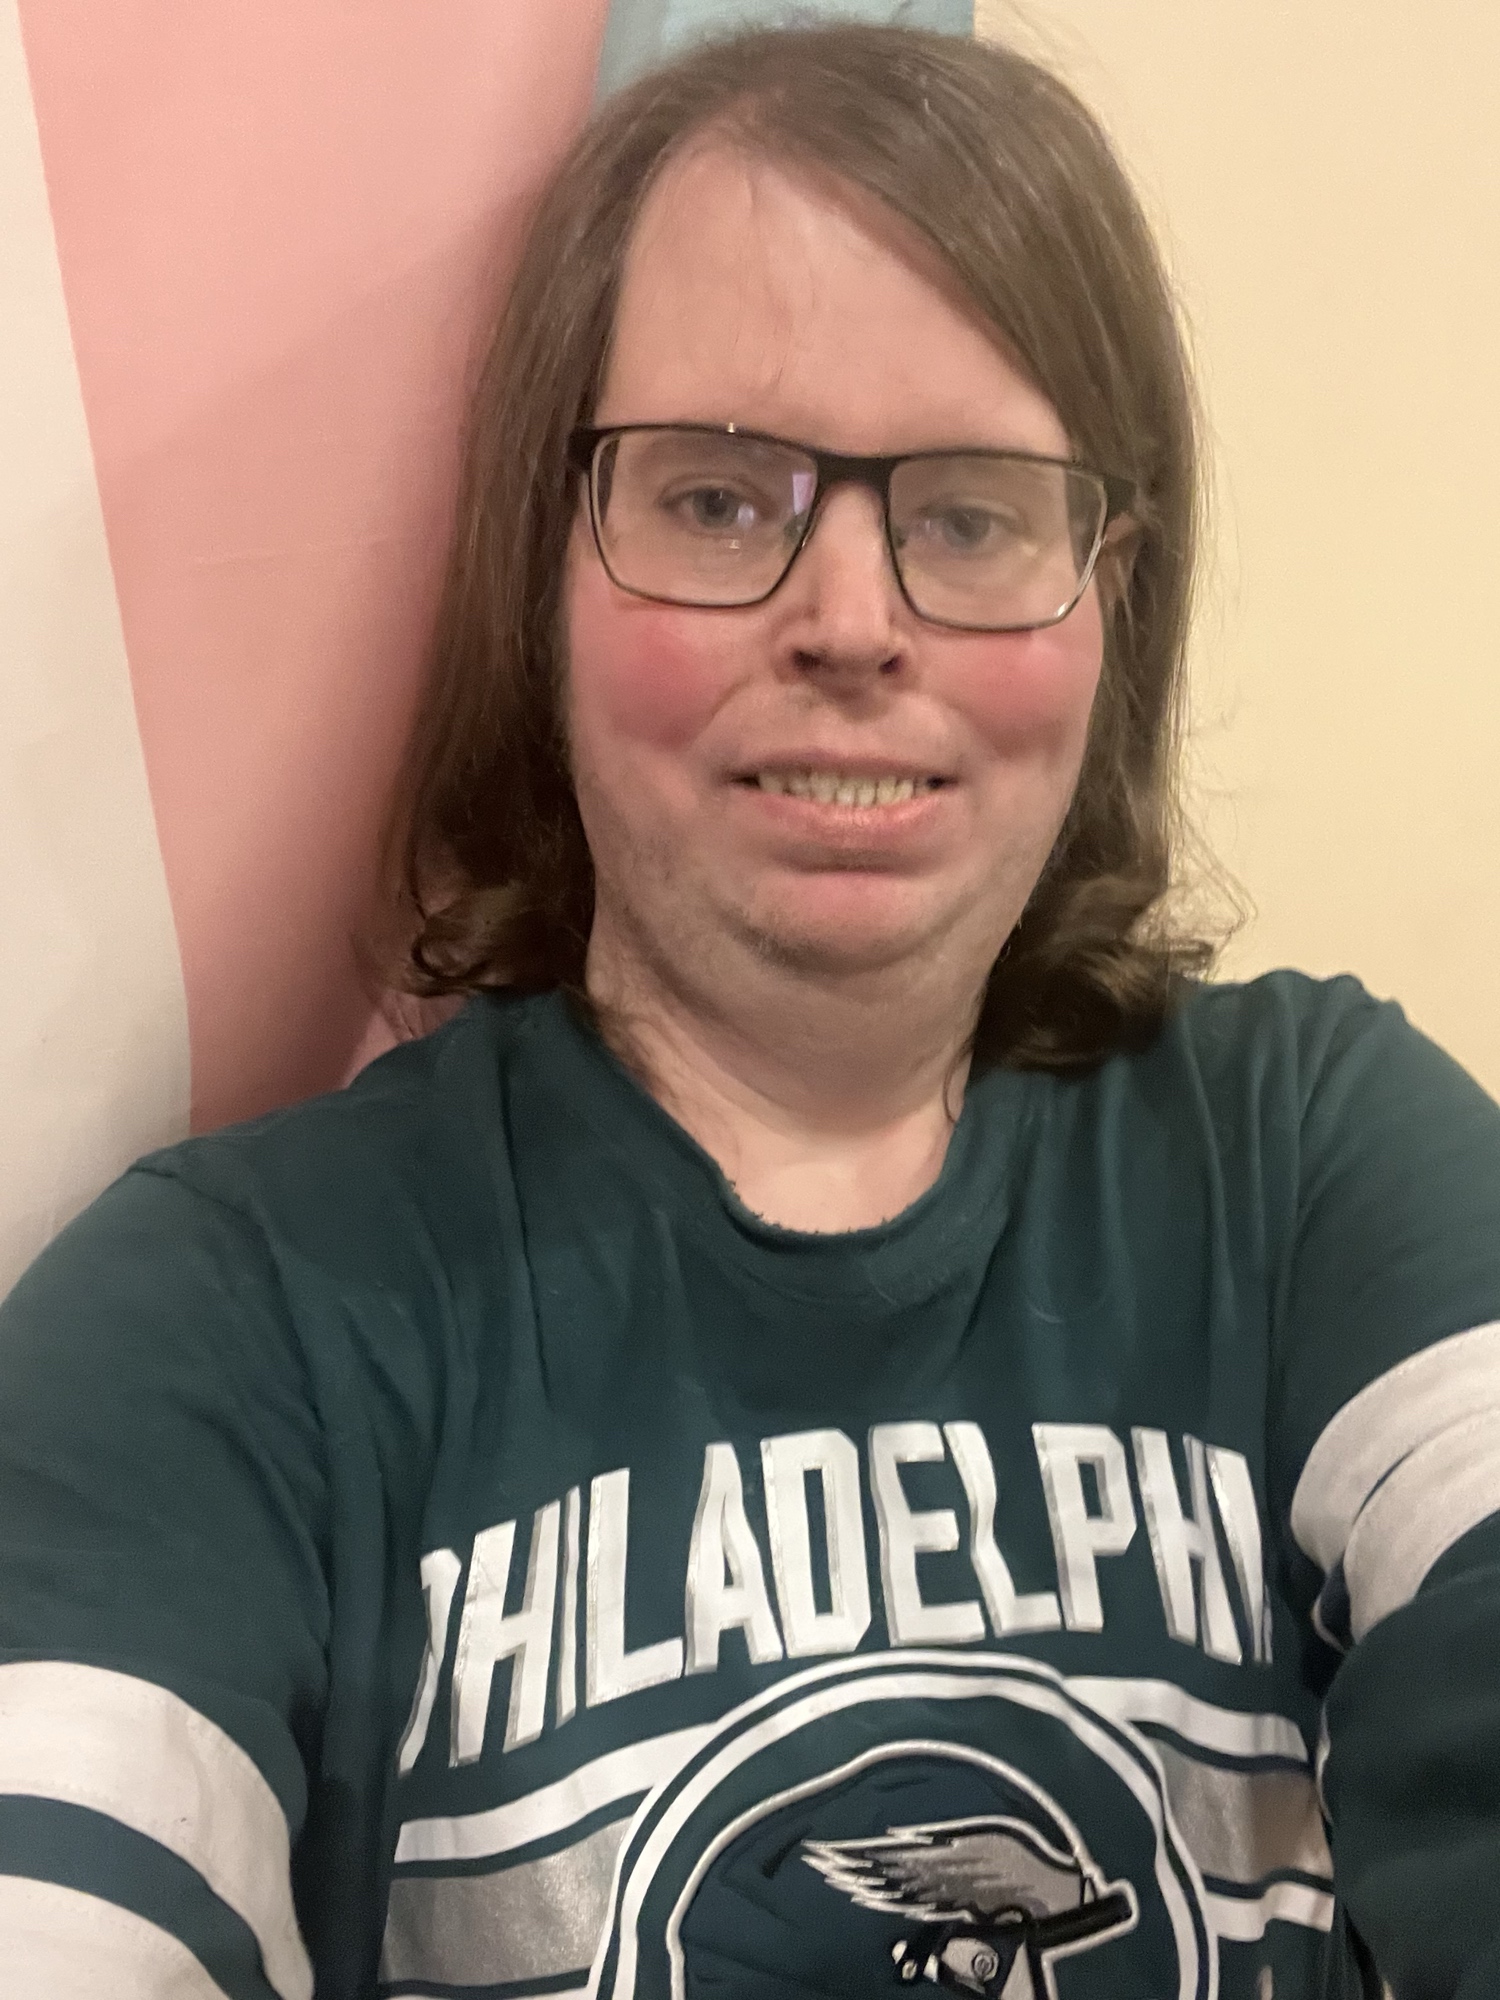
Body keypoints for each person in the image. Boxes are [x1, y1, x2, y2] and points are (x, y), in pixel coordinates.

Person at [0, 21, 1497, 2000]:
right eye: (717, 500)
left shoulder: (1320, 1165)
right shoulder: (225, 1317)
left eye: (971, 515)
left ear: (1110, 599)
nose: (852, 621)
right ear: (544, 576)